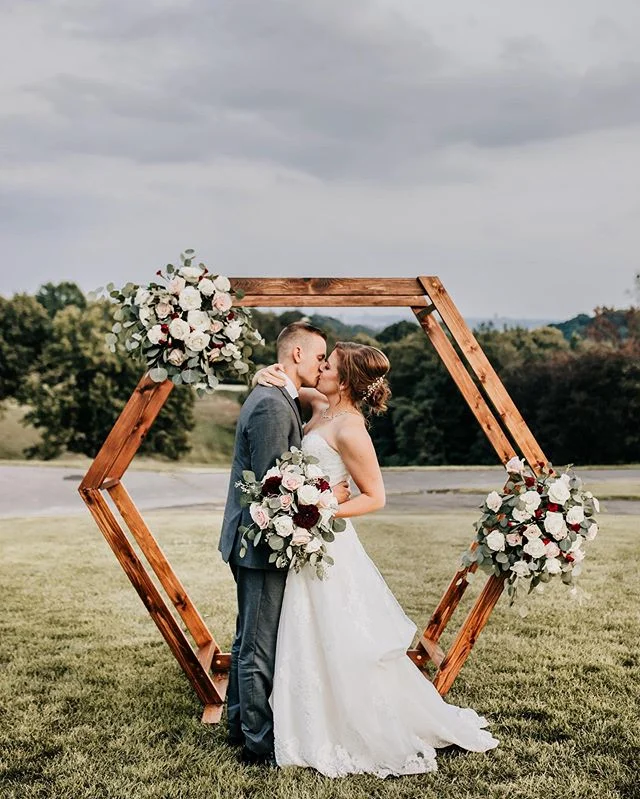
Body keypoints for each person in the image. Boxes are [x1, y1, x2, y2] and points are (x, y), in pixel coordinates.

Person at [253, 341, 499, 777]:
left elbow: (375, 498)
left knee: (339, 632)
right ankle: (306, 718)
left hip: (327, 543)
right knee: (308, 630)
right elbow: (291, 389)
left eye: (328, 365)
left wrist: (316, 511)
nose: (321, 368)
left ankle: (352, 725)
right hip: (307, 541)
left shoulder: (350, 428)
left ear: (345, 379)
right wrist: (261, 375)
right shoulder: (320, 405)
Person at [218, 322, 351, 767]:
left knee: (246, 638)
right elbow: (276, 490)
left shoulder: (280, 396)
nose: (321, 364)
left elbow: (309, 400)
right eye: (318, 357)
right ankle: (257, 744)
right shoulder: (272, 407)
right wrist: (330, 497)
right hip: (259, 541)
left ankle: (239, 724)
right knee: (257, 644)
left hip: (254, 538)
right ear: (296, 354)